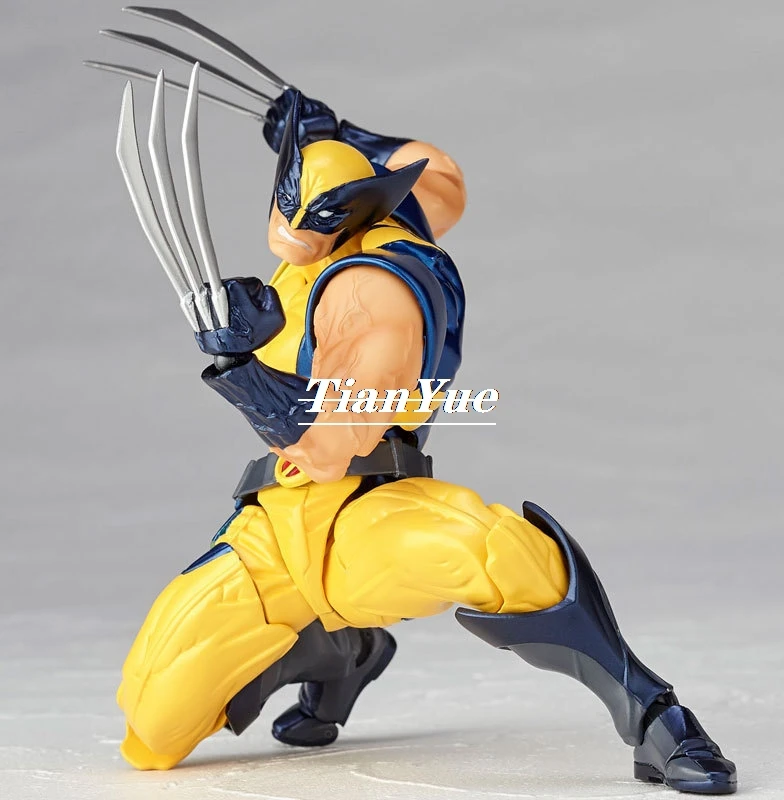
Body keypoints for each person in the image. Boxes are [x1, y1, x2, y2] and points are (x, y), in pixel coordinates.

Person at [101, 14, 737, 793]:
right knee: (149, 729)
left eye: (316, 213)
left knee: (495, 553)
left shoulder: (378, 287)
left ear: (356, 209)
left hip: (366, 513)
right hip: (273, 526)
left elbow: (331, 441)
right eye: (287, 203)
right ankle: (343, 650)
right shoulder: (339, 236)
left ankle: (655, 716)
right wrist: (340, 133)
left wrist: (241, 369)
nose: (291, 228)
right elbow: (438, 176)